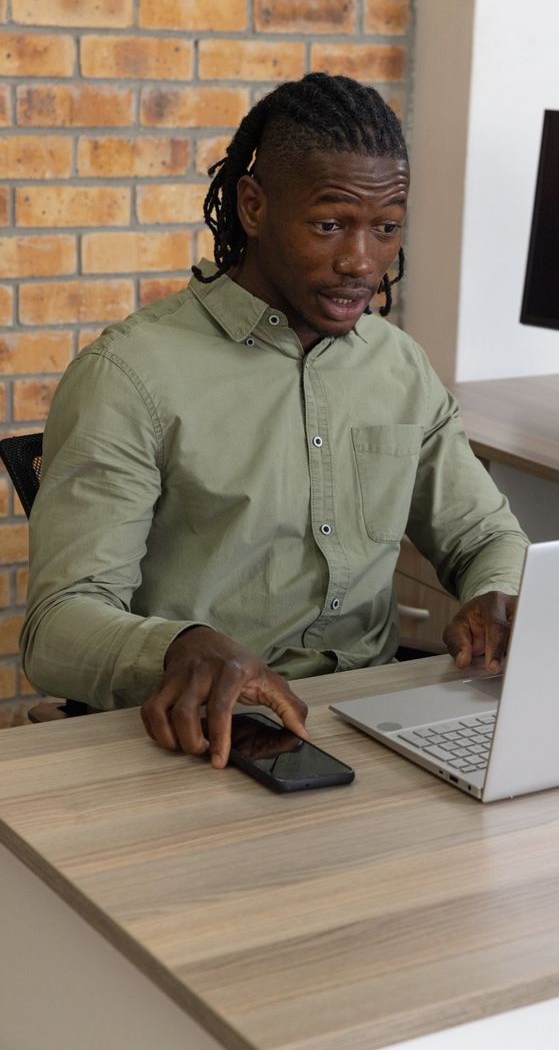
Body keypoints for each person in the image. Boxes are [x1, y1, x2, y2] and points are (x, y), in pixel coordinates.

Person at [20, 73, 528, 769]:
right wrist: (177, 648)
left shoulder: (398, 368)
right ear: (253, 207)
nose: (360, 262)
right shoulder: (131, 376)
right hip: (202, 739)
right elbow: (57, 626)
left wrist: (494, 595)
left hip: (366, 727)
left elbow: (484, 535)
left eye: (385, 228)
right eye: (329, 225)